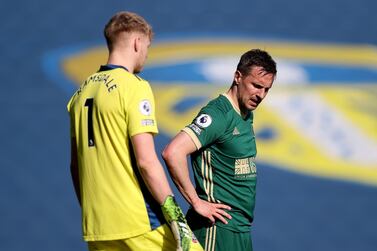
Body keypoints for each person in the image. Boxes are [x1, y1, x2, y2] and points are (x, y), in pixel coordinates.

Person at [67, 11, 203, 251]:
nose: (147, 55)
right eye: (148, 47)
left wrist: (94, 214)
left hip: (98, 228)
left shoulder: (79, 95)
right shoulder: (134, 87)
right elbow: (146, 161)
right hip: (139, 221)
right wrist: (177, 220)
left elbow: (75, 167)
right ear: (137, 42)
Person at [162, 49, 277, 251]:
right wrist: (197, 202)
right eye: (256, 86)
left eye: (266, 89)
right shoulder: (218, 114)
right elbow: (173, 152)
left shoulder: (245, 113)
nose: (260, 95)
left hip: (239, 231)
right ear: (238, 76)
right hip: (215, 229)